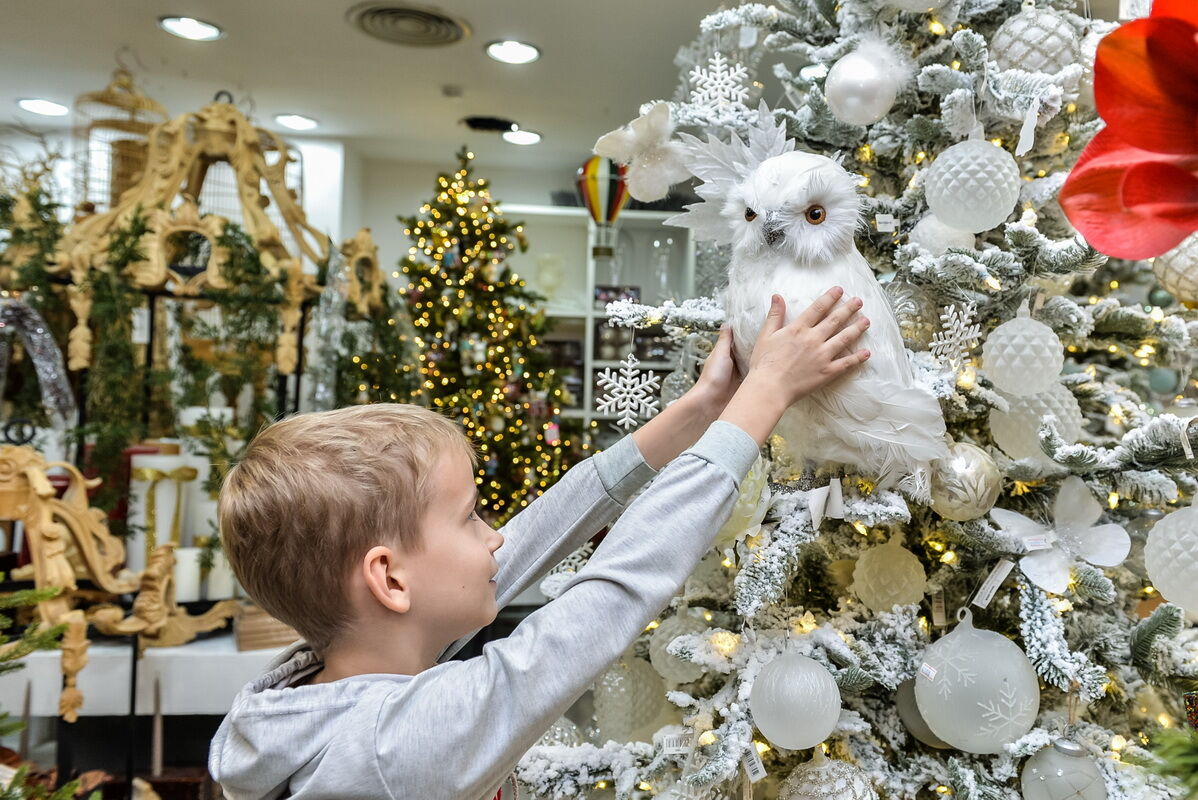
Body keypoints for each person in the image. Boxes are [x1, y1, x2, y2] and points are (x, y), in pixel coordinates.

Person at [209, 288, 870, 799]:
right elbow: (608, 599)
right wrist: (761, 401)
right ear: (389, 579)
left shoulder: (338, 683)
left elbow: (535, 534)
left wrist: (699, 410)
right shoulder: (400, 744)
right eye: (471, 518)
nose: (495, 535)